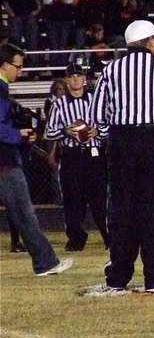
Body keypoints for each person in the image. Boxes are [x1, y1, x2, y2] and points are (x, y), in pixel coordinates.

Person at [90, 20, 154, 292]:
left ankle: (118, 276)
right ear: (149, 41)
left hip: (122, 142)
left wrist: (117, 132)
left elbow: (97, 116)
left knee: (121, 209)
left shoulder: (111, 70)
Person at [0, 43, 74, 276]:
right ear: (4, 65)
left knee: (22, 213)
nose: (20, 71)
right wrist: (19, 135)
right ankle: (46, 263)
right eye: (18, 66)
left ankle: (45, 262)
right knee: (23, 213)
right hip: (5, 162)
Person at [44, 61, 109, 252]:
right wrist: (65, 131)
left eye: (79, 76)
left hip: (93, 154)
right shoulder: (59, 105)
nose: (75, 80)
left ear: (84, 79)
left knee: (100, 198)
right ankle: (76, 237)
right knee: (72, 199)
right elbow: (49, 132)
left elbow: (109, 124)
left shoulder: (95, 100)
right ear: (66, 80)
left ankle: (109, 237)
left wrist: (97, 131)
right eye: (71, 76)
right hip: (71, 155)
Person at [42, 0, 75, 70]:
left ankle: (63, 68)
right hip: (51, 21)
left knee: (63, 45)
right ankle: (54, 69)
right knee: (54, 45)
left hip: (65, 20)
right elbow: (47, 1)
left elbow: (70, 0)